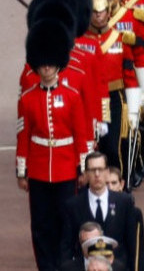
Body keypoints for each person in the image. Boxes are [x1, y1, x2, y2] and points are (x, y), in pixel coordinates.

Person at [18, 16, 92, 271]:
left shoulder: (71, 97)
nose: (46, 68)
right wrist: (22, 171)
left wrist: (83, 168)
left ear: (58, 64)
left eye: (51, 63)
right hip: (38, 170)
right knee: (41, 224)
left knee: (65, 221)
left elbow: (81, 135)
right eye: (43, 64)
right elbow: (23, 136)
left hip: (65, 169)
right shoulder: (27, 99)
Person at [60, 152, 142, 271]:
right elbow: (66, 247)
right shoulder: (73, 205)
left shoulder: (124, 202)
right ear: (86, 174)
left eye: (100, 169)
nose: (97, 174)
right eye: (92, 170)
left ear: (107, 172)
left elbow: (134, 246)